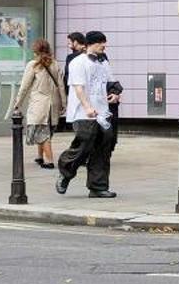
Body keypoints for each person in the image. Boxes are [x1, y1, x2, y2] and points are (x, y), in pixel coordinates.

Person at [57, 30, 120, 199]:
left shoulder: (103, 62)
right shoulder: (78, 62)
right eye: (101, 43)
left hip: (103, 113)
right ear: (91, 43)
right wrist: (87, 107)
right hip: (83, 113)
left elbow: (112, 82)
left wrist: (115, 94)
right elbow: (78, 88)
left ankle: (98, 187)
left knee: (102, 149)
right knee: (84, 143)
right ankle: (65, 171)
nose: (104, 46)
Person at [12, 39, 65, 168]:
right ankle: (40, 157)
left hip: (39, 104)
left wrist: (17, 102)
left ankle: (50, 161)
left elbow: (24, 86)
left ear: (35, 50)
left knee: (42, 132)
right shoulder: (55, 64)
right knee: (44, 130)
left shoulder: (33, 65)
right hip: (53, 103)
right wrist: (64, 103)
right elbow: (61, 86)